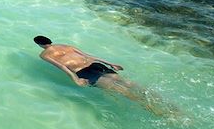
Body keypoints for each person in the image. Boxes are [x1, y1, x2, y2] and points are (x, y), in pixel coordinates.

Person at [33, 35, 173, 116]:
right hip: (96, 65)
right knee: (128, 83)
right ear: (49, 40)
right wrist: (111, 63)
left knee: (122, 92)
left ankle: (157, 112)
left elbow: (62, 66)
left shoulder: (44, 54)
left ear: (39, 44)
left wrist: (75, 78)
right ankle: (167, 104)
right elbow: (88, 56)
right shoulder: (67, 46)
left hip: (84, 72)